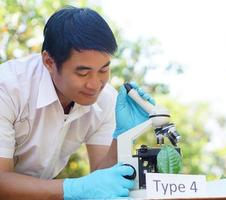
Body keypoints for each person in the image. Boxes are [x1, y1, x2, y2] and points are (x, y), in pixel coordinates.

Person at [0, 6, 154, 200]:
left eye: (103, 70)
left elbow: (103, 179)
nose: (95, 84)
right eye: (83, 73)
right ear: (49, 62)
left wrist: (122, 137)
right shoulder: (7, 88)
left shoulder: (106, 100)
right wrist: (74, 188)